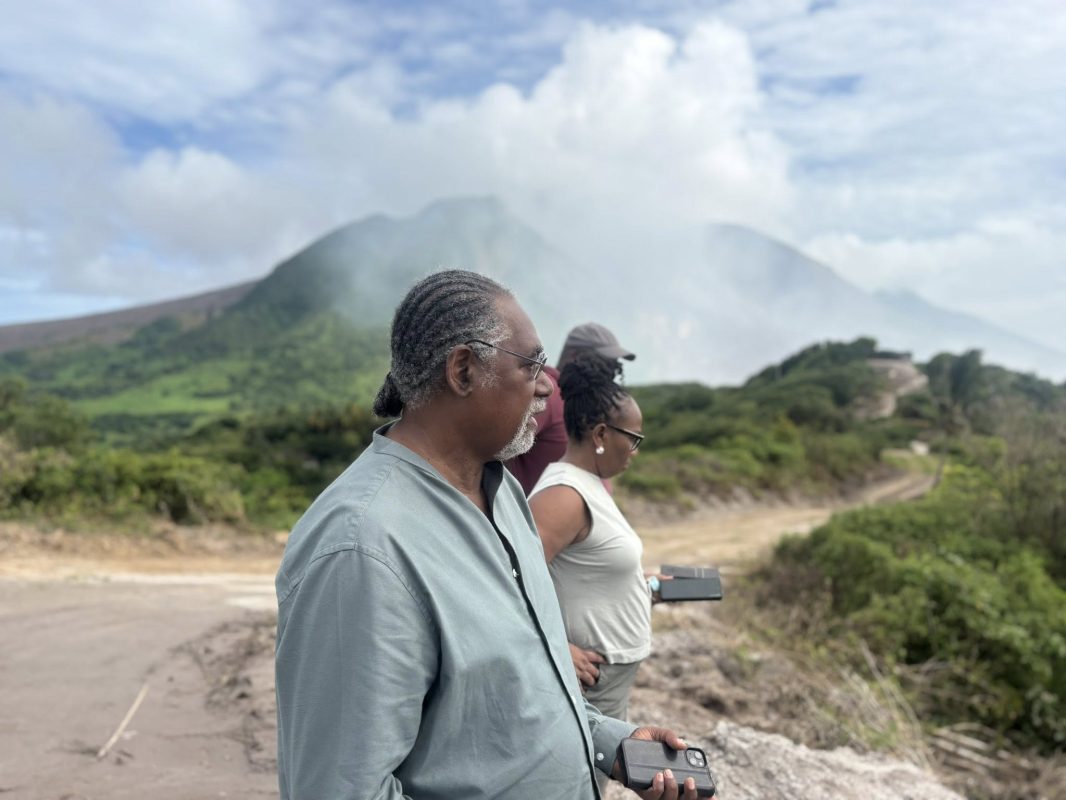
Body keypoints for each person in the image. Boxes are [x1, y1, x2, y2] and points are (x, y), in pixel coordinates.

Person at [274, 270, 699, 800]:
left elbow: (516, 690)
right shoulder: (361, 545)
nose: (548, 384)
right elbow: (337, 788)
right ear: (464, 370)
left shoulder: (504, 495)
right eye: (533, 365)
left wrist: (610, 742)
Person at [528, 354, 659, 777]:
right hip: (589, 681)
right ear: (602, 433)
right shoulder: (563, 495)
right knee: (574, 783)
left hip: (606, 679)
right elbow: (507, 576)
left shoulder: (587, 484)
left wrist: (642, 585)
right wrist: (553, 646)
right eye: (633, 439)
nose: (635, 451)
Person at [506, 322, 635, 495]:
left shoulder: (581, 402)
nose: (611, 373)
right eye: (604, 364)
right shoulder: (548, 394)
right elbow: (496, 449)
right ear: (575, 357)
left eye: (614, 365)